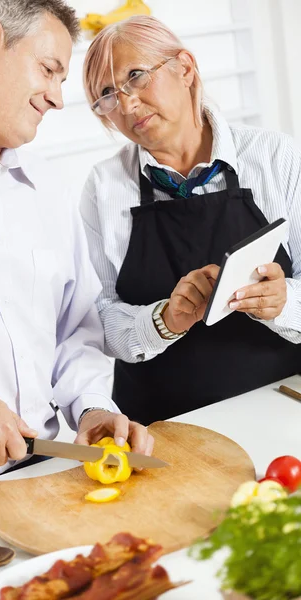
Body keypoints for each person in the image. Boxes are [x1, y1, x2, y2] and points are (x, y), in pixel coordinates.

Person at [0, 0, 154, 505]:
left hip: (44, 478)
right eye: (49, 70)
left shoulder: (48, 189)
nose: (58, 98)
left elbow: (70, 335)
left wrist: (91, 409)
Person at [80, 15, 301, 426]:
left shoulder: (275, 157)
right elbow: (98, 319)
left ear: (185, 67)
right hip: (160, 427)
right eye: (107, 95)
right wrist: (162, 321)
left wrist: (285, 303)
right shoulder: (104, 187)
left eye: (136, 77)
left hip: (278, 408)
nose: (126, 105)